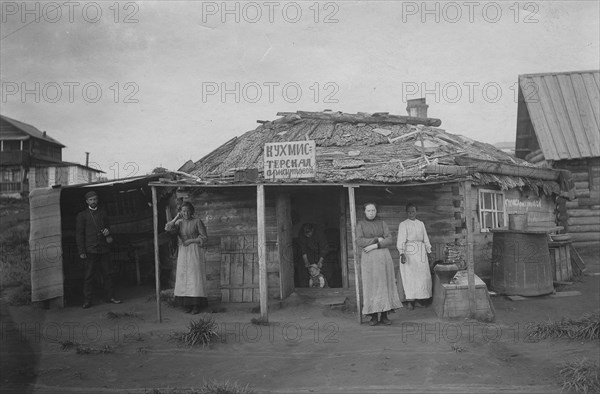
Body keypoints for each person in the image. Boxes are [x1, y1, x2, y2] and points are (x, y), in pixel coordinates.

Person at [357, 203, 402, 326]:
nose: (371, 213)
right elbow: (359, 241)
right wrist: (377, 239)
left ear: (376, 211)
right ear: (364, 212)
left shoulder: (382, 223)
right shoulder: (360, 224)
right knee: (371, 285)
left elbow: (389, 239)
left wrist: (374, 246)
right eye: (368, 210)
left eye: (373, 210)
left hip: (383, 257)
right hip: (369, 259)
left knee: (384, 284)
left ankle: (384, 315)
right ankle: (373, 316)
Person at [76, 190, 121, 309]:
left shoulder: (103, 213)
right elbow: (79, 235)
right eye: (91, 200)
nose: (93, 201)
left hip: (103, 249)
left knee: (108, 274)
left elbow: (108, 228)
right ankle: (87, 301)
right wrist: (81, 251)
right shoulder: (82, 215)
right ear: (87, 201)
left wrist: (107, 232)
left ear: (98, 200)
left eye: (95, 199)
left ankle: (110, 297)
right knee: (89, 276)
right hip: (90, 250)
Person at [165, 202, 208, 314]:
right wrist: (175, 218)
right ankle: (187, 305)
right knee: (184, 277)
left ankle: (196, 305)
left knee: (194, 277)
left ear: (192, 211)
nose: (186, 213)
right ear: (181, 212)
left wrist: (191, 241)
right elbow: (168, 228)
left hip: (194, 250)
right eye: (183, 211)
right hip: (183, 252)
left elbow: (204, 237)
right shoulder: (179, 223)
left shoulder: (197, 221)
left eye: (188, 210)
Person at [396, 202, 433, 310]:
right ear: (406, 212)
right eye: (409, 212)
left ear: (416, 212)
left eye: (413, 211)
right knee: (410, 277)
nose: (411, 213)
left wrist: (429, 251)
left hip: (421, 252)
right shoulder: (403, 224)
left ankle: (418, 300)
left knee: (421, 277)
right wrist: (402, 253)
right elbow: (401, 240)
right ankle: (410, 301)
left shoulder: (421, 224)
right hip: (409, 252)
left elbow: (425, 238)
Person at [296, 223, 328, 287]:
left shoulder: (319, 233)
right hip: (308, 252)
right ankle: (306, 288)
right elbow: (303, 249)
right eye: (306, 234)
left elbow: (324, 248)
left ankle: (322, 286)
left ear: (312, 230)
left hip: (319, 251)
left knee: (323, 269)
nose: (307, 235)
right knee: (305, 270)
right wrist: (306, 261)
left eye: (309, 233)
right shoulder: (301, 234)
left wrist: (320, 261)